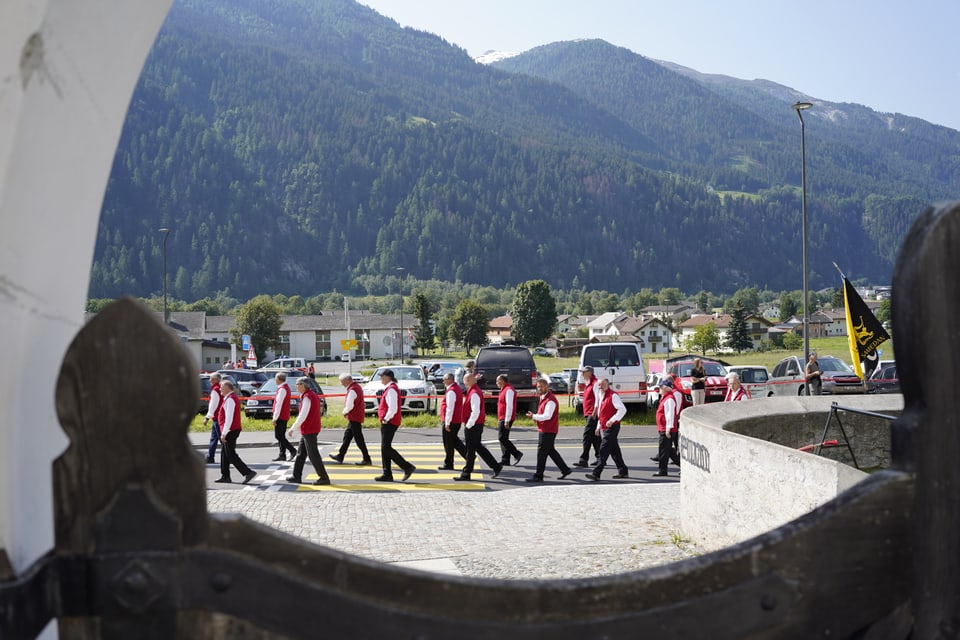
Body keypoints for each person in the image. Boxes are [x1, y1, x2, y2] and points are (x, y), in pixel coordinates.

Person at [455, 373, 503, 481]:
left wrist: (469, 424)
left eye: (465, 381)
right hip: (475, 424)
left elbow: (475, 411)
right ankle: (495, 466)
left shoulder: (474, 393)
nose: (464, 383)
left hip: (474, 425)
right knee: (477, 447)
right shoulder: (473, 391)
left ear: (470, 381)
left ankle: (466, 473)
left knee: (470, 449)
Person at [525, 377, 573, 482]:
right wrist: (536, 417)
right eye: (538, 387)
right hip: (546, 429)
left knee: (541, 453)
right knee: (550, 451)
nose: (540, 388)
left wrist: (534, 416)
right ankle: (565, 470)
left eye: (542, 386)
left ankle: (538, 475)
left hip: (548, 430)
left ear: (547, 386)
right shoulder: (544, 398)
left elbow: (547, 416)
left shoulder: (550, 400)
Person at [285, 377, 331, 485]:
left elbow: (303, 415)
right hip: (309, 428)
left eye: (297, 384)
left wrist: (293, 428)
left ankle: (324, 477)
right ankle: (296, 476)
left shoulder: (307, 396)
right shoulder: (310, 395)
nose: (296, 386)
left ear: (303, 385)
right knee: (301, 453)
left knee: (313, 454)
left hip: (309, 429)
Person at [374, 369, 416, 482]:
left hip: (389, 422)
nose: (380, 378)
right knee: (384, 448)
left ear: (388, 377)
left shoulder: (391, 389)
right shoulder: (390, 388)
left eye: (382, 376)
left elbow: (393, 408)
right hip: (389, 421)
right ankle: (387, 473)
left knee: (385, 447)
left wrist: (386, 419)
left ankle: (407, 467)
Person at [215, 379, 257, 484]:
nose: (220, 389)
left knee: (230, 454)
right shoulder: (229, 398)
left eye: (222, 387)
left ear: (227, 388)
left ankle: (248, 472)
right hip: (230, 429)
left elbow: (229, 418)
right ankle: (225, 475)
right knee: (225, 453)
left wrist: (224, 433)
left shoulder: (230, 399)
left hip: (230, 430)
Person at [586, 378, 629, 480]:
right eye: (599, 385)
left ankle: (596, 473)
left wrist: (612, 420)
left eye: (601, 385)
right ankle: (623, 471)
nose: (599, 387)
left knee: (603, 449)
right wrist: (598, 426)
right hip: (605, 426)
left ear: (607, 385)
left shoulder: (613, 396)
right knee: (614, 450)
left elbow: (623, 410)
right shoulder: (601, 396)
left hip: (612, 426)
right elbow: (602, 413)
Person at [330, 372, 372, 465]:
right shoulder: (357, 387)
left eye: (342, 381)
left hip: (354, 416)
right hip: (357, 416)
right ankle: (340, 455)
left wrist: (344, 412)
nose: (341, 384)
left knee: (358, 439)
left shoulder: (352, 390)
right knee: (347, 436)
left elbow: (350, 405)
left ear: (347, 380)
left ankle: (367, 458)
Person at [437, 372, 467, 471]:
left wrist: (447, 422)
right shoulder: (456, 388)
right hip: (456, 419)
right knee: (454, 441)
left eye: (444, 379)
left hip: (451, 420)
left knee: (448, 443)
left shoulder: (451, 391)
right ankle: (468, 456)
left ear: (450, 379)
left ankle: (449, 463)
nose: (443, 381)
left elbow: (450, 408)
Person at [575, 365, 601, 468]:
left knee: (587, 436)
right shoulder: (589, 383)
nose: (582, 374)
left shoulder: (595, 383)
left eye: (584, 372)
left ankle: (583, 459)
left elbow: (598, 399)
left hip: (592, 414)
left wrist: (594, 412)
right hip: (589, 413)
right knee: (595, 437)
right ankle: (600, 457)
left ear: (590, 373)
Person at [654, 379, 681, 477]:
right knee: (668, 450)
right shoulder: (665, 398)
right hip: (664, 428)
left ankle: (662, 470)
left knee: (663, 450)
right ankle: (683, 465)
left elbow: (670, 415)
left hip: (666, 428)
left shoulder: (669, 399)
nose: (659, 389)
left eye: (661, 387)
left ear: (665, 388)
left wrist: (668, 429)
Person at [495, 374, 523, 466]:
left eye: (498, 381)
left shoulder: (509, 390)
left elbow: (509, 406)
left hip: (506, 417)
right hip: (502, 417)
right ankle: (505, 459)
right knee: (503, 438)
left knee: (502, 438)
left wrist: (507, 420)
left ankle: (516, 453)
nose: (496, 383)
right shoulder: (504, 390)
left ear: (503, 381)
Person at [271, 372, 298, 461]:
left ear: (278, 379)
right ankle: (282, 454)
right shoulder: (284, 388)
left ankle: (292, 450)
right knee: (281, 435)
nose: (275, 380)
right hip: (284, 415)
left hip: (281, 416)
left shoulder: (282, 389)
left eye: (275, 378)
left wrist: (275, 418)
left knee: (278, 436)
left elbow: (279, 404)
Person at [203, 372, 222, 464]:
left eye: (211, 378)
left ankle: (229, 455)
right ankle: (210, 457)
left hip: (217, 417)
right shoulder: (221, 388)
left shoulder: (215, 390)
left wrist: (207, 418)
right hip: (219, 417)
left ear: (215, 380)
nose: (209, 380)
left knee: (221, 439)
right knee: (214, 438)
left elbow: (213, 405)